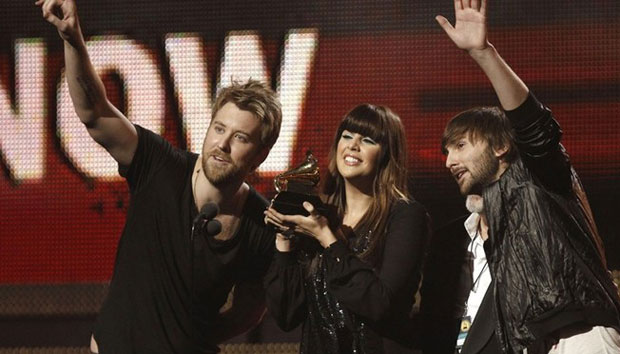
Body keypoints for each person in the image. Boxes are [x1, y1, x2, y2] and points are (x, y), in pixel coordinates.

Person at [37, 0, 282, 352]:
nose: (222, 144)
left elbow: (248, 311)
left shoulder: (260, 226)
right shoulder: (159, 165)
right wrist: (74, 39)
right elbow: (94, 112)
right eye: (218, 129)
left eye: (240, 138)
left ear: (261, 153)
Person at [420, 0, 620, 353]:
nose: (450, 160)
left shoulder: (540, 181)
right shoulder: (466, 231)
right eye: (446, 151)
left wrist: (483, 54)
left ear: (501, 147)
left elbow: (537, 129)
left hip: (575, 333)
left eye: (462, 145)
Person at [263, 104, 430, 353]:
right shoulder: (321, 216)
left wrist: (327, 239)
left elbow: (379, 303)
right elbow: (287, 316)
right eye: (347, 136)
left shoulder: (406, 216)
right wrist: (284, 241)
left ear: (386, 154)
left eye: (368, 140)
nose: (353, 145)